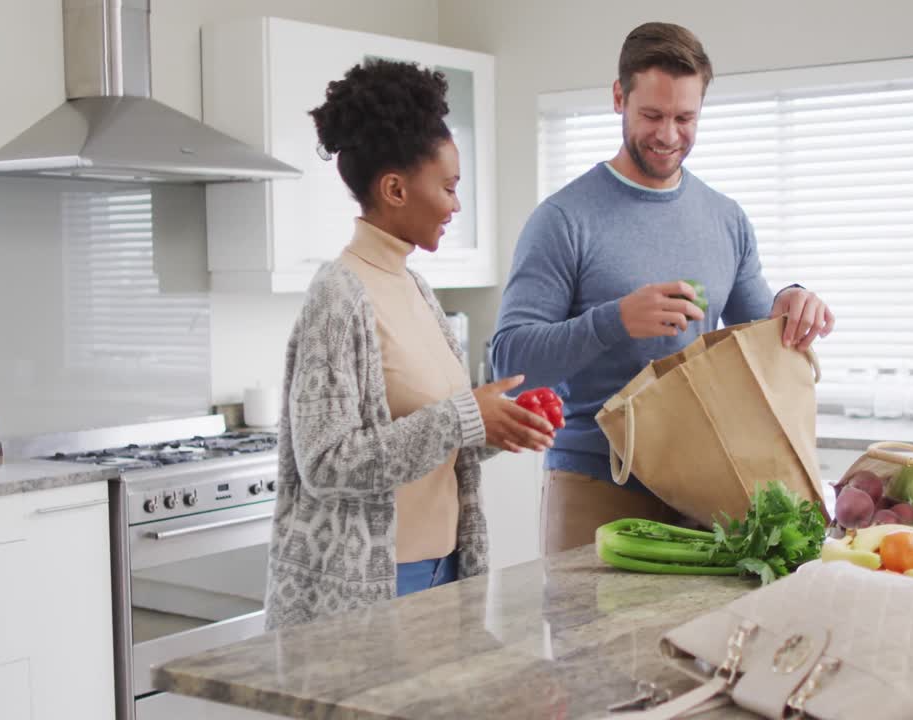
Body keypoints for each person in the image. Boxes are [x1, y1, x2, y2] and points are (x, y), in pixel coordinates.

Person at [491, 22, 836, 554]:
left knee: (699, 638)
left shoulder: (725, 218)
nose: (669, 135)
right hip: (598, 481)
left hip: (712, 482)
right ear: (618, 98)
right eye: (652, 115)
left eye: (685, 117)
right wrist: (614, 320)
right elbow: (509, 364)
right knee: (591, 639)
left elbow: (756, 336)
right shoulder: (563, 220)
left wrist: (792, 302)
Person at [264, 59, 555, 630]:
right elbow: (325, 463)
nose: (456, 204)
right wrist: (466, 416)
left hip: (445, 568)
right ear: (395, 189)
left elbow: (434, 437)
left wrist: (497, 424)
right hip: (377, 584)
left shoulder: (415, 287)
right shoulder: (338, 297)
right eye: (448, 187)